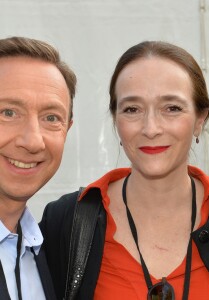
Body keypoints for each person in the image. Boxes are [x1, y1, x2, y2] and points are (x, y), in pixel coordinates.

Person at [41, 41, 209, 300]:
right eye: (132, 109)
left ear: (200, 119)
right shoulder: (66, 221)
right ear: (116, 119)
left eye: (172, 108)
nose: (151, 128)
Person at [0, 36, 76, 300]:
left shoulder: (52, 253)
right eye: (8, 113)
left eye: (51, 118)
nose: (32, 141)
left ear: (67, 129)